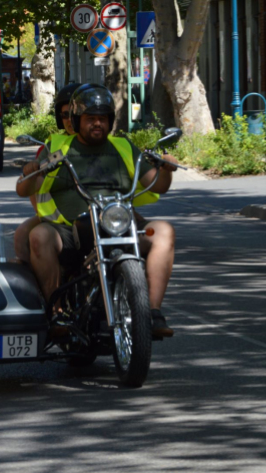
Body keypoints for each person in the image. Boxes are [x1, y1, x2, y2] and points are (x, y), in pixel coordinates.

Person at [17, 84, 177, 338]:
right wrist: (30, 171)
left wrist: (166, 168)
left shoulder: (123, 146)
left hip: (116, 221)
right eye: (91, 119)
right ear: (78, 121)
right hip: (70, 228)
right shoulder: (58, 147)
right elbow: (26, 189)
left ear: (110, 121)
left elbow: (158, 184)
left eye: (102, 119)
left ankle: (153, 312)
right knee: (39, 237)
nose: (97, 124)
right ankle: (57, 314)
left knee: (164, 231)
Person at [14, 82, 81, 263]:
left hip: (101, 218)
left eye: (74, 115)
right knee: (22, 235)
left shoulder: (107, 144)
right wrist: (43, 217)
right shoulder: (52, 146)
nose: (70, 120)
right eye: (65, 115)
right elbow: (33, 189)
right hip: (57, 221)